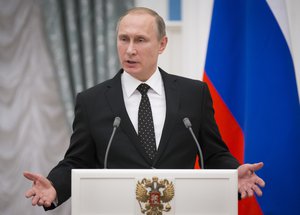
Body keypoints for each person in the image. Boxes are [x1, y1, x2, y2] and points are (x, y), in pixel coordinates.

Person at [24, 7, 265, 210]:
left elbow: (212, 154)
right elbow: (77, 160)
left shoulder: (194, 94)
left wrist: (234, 172)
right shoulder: (91, 100)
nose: (130, 49)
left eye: (140, 40)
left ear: (162, 44)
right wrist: (54, 186)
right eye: (123, 39)